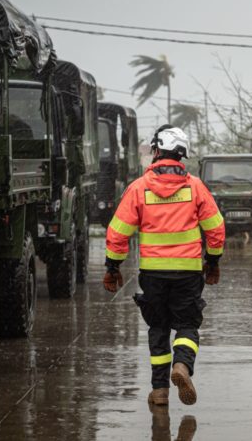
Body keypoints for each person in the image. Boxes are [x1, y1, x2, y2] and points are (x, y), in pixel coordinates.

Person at [103, 125, 225, 407]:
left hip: (153, 275)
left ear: (157, 150)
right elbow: (216, 229)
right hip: (188, 273)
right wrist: (213, 261)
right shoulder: (195, 187)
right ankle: (182, 366)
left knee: (158, 328)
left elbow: (117, 232)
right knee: (187, 325)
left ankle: (159, 391)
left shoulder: (138, 188)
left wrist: (113, 267)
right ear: (181, 154)